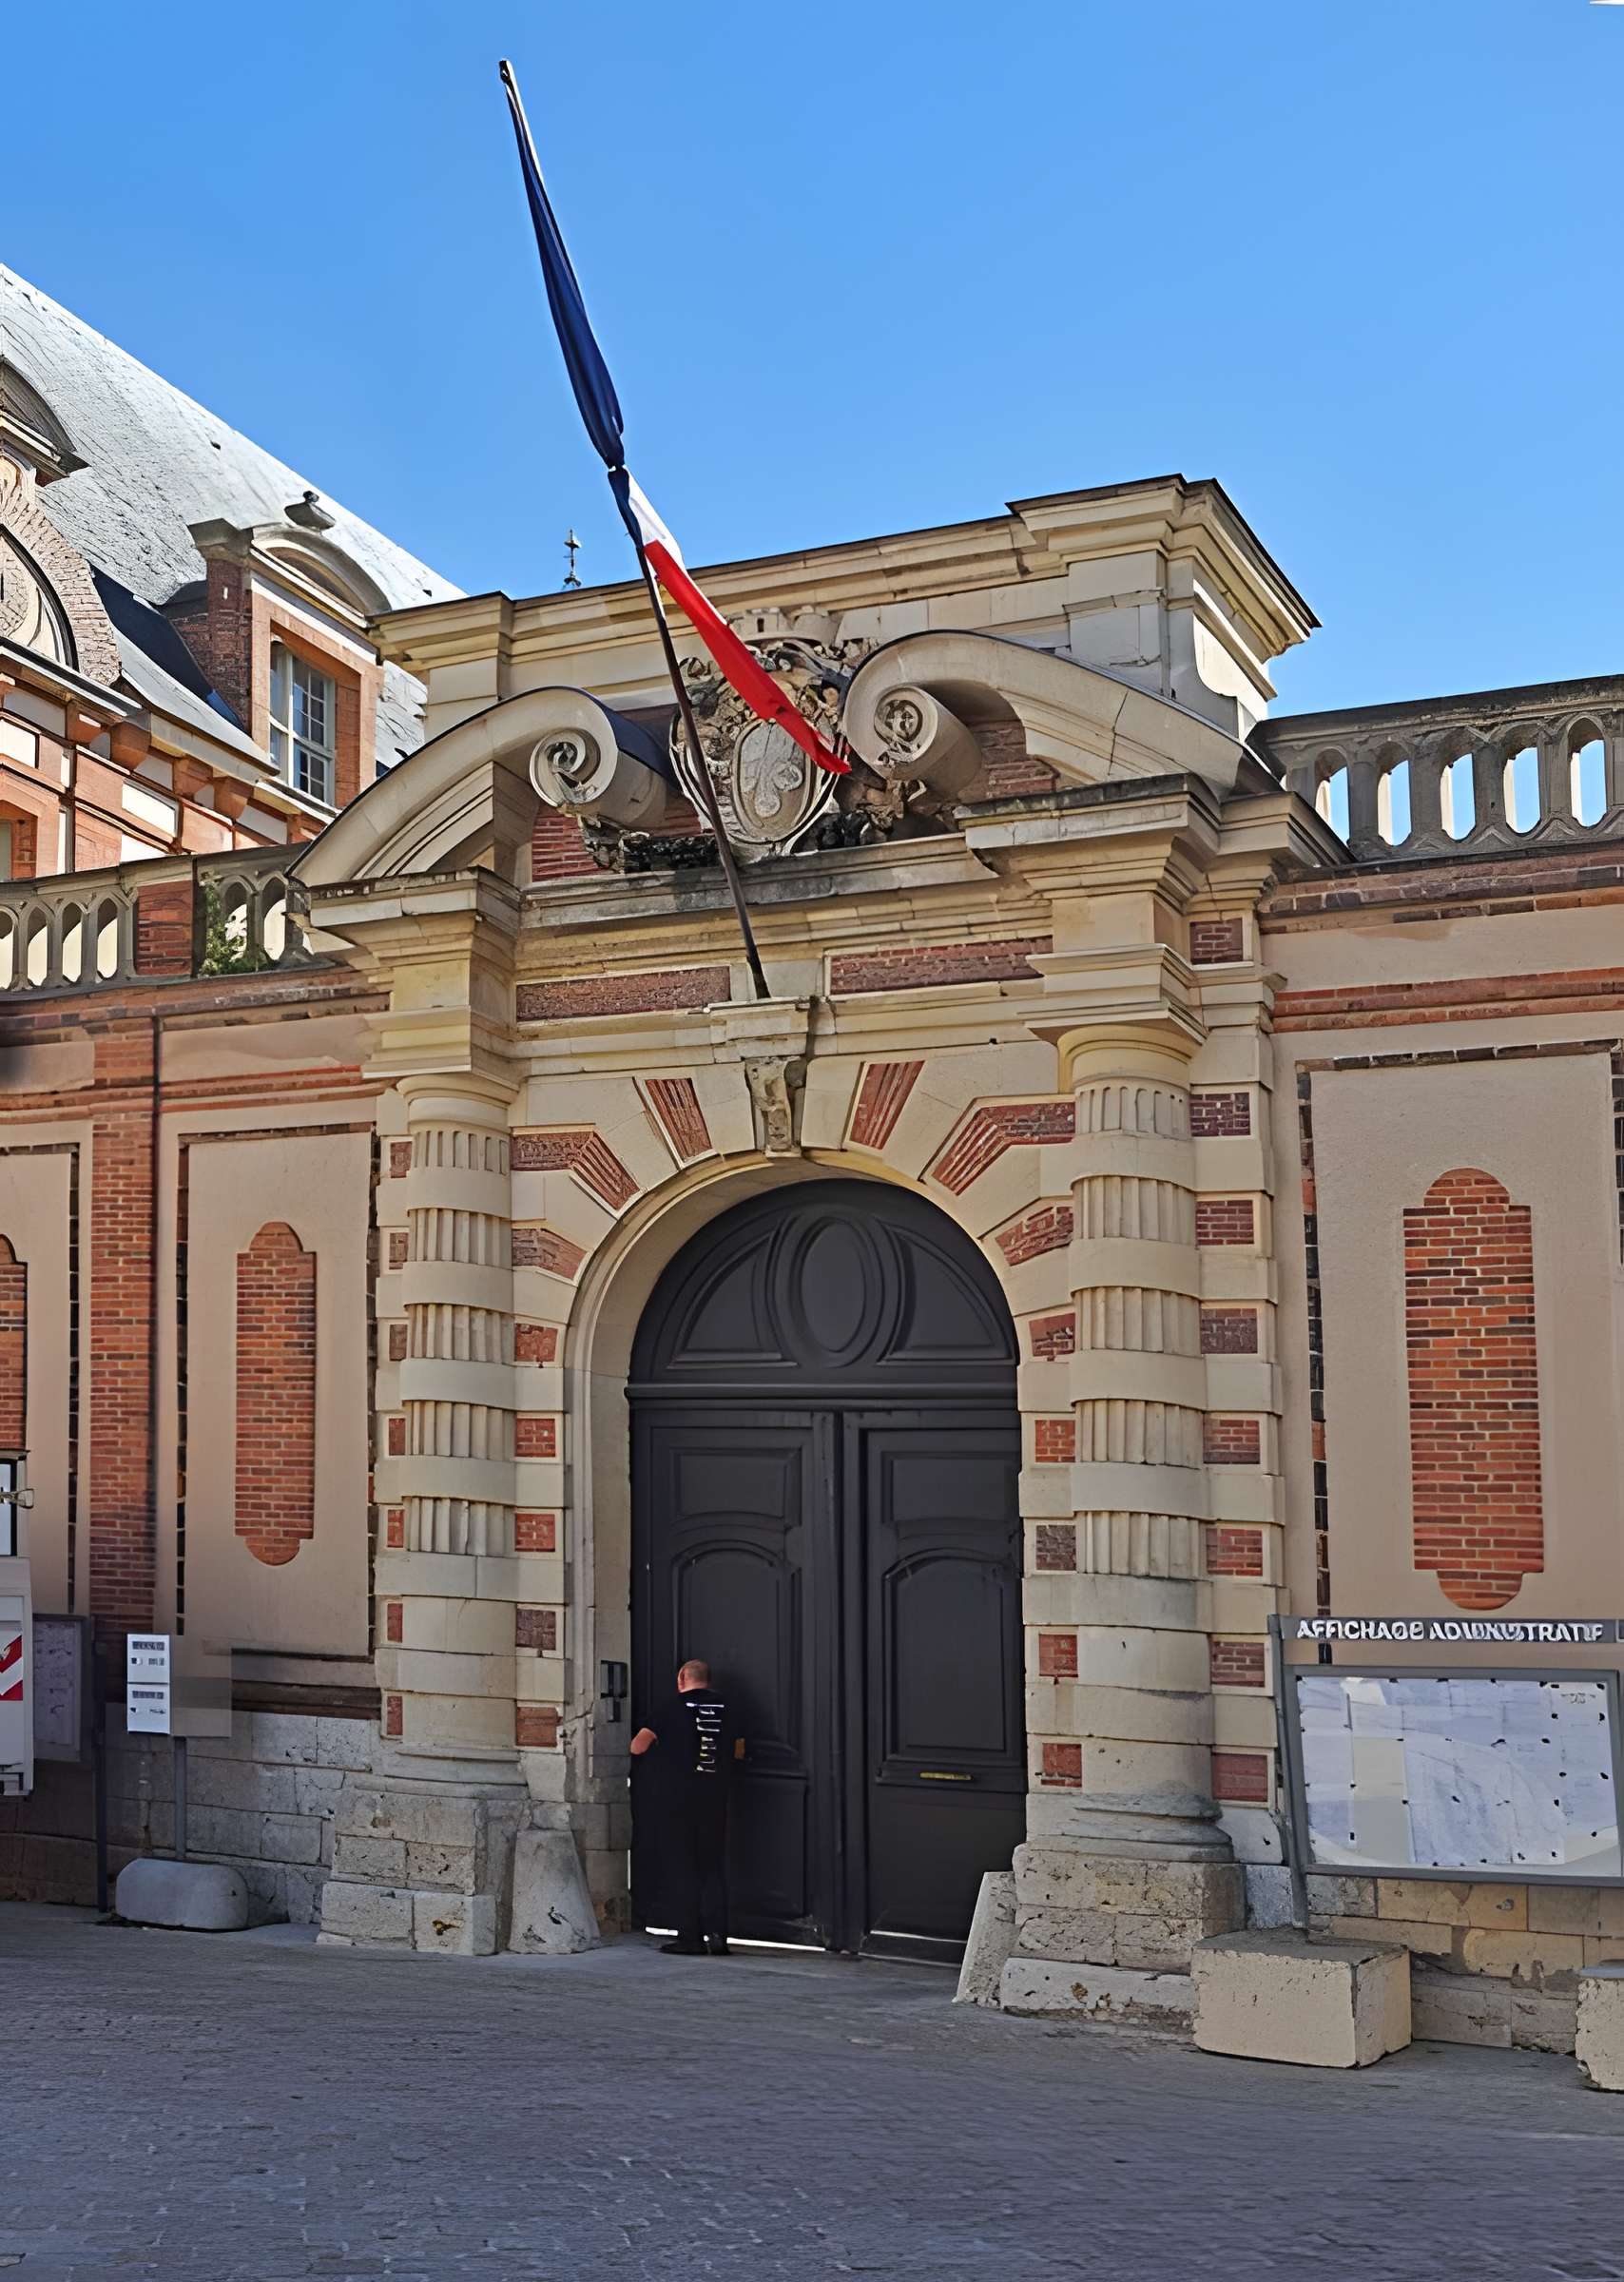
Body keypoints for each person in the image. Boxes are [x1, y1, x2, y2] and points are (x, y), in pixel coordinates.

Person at [630, 1658, 739, 1956]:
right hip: (715, 1796)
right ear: (709, 1680)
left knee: (683, 1866)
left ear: (681, 1678)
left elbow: (637, 1746)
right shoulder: (727, 1708)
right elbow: (739, 1747)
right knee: (712, 1865)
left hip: (678, 1799)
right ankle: (718, 1935)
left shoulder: (669, 1708)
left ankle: (690, 1936)